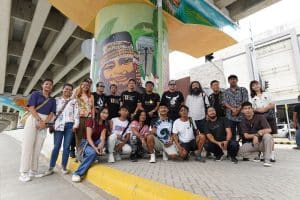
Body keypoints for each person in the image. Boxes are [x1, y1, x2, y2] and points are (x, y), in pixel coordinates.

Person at [19, 79, 56, 182]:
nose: (48, 86)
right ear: (42, 85)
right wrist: (39, 120)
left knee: (37, 147)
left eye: (50, 84)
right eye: (46, 84)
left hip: (44, 122)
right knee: (27, 146)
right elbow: (31, 108)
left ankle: (33, 171)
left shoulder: (52, 100)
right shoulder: (36, 94)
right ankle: (23, 172)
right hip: (34, 119)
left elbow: (52, 113)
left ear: (52, 87)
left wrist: (44, 123)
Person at [44, 84, 80, 176]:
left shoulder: (74, 101)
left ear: (72, 91)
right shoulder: (56, 100)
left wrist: (75, 125)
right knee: (56, 146)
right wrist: (51, 124)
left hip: (69, 125)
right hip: (58, 125)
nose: (67, 91)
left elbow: (76, 114)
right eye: (66, 89)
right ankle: (51, 167)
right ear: (62, 90)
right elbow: (52, 113)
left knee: (67, 147)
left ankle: (64, 166)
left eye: (70, 89)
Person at [72, 107, 109, 182]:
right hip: (86, 143)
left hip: (95, 143)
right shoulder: (91, 121)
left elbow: (102, 137)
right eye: (103, 112)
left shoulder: (104, 125)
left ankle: (92, 157)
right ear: (99, 112)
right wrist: (95, 149)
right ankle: (77, 173)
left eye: (107, 113)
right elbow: (88, 138)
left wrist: (101, 144)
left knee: (104, 141)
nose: (105, 115)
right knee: (92, 153)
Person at [239, 102, 273, 167]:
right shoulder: (242, 121)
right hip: (253, 144)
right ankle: (257, 154)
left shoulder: (260, 117)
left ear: (252, 109)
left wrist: (257, 134)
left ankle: (267, 159)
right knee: (239, 153)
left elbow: (269, 130)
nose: (248, 110)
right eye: (245, 109)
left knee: (268, 136)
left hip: (263, 143)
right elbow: (246, 136)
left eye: (249, 108)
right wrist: (255, 135)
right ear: (242, 111)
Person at [250, 80, 276, 162]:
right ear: (252, 88)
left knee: (270, 136)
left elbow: (272, 104)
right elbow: (252, 109)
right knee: (261, 136)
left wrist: (264, 109)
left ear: (260, 85)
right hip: (260, 118)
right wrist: (258, 110)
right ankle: (262, 154)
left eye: (257, 84)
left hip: (269, 116)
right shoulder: (252, 98)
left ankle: (271, 154)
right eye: (253, 85)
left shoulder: (267, 94)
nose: (256, 86)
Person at [224, 75, 249, 141]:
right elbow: (225, 102)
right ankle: (234, 149)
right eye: (231, 79)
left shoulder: (243, 89)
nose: (233, 80)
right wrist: (232, 108)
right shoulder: (225, 92)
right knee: (232, 135)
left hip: (242, 116)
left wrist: (237, 110)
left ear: (237, 80)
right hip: (230, 117)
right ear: (229, 81)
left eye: (234, 79)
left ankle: (245, 148)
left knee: (244, 133)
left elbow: (245, 101)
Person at [74, 79, 95, 155]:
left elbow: (93, 108)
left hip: (89, 118)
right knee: (79, 137)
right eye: (84, 85)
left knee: (88, 136)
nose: (86, 86)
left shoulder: (91, 96)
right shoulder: (77, 95)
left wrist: (93, 119)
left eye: (87, 85)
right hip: (79, 118)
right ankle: (79, 154)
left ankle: (86, 153)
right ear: (81, 86)